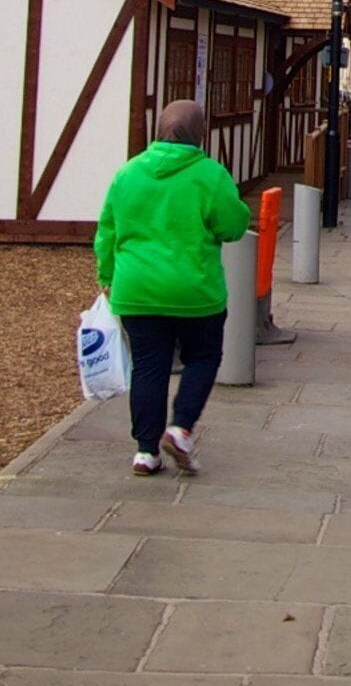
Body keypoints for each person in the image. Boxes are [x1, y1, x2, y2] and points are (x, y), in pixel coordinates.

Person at [92, 98, 253, 477]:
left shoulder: (127, 174)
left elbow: (106, 232)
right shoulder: (210, 175)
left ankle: (145, 451)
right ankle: (180, 428)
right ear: (200, 133)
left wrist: (107, 276)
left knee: (149, 367)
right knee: (202, 357)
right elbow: (232, 226)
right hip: (194, 291)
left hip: (136, 290)